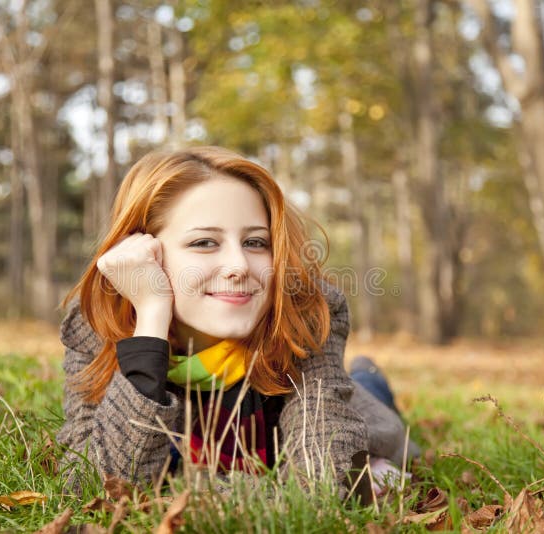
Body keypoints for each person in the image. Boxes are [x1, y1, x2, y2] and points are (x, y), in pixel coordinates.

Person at [57, 146, 411, 499]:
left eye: (256, 242)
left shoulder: (303, 311)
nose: (239, 265)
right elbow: (91, 486)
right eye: (205, 242)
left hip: (353, 407)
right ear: (142, 252)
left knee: (376, 410)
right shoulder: (96, 325)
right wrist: (149, 322)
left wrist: (171, 490)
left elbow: (319, 486)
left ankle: (370, 378)